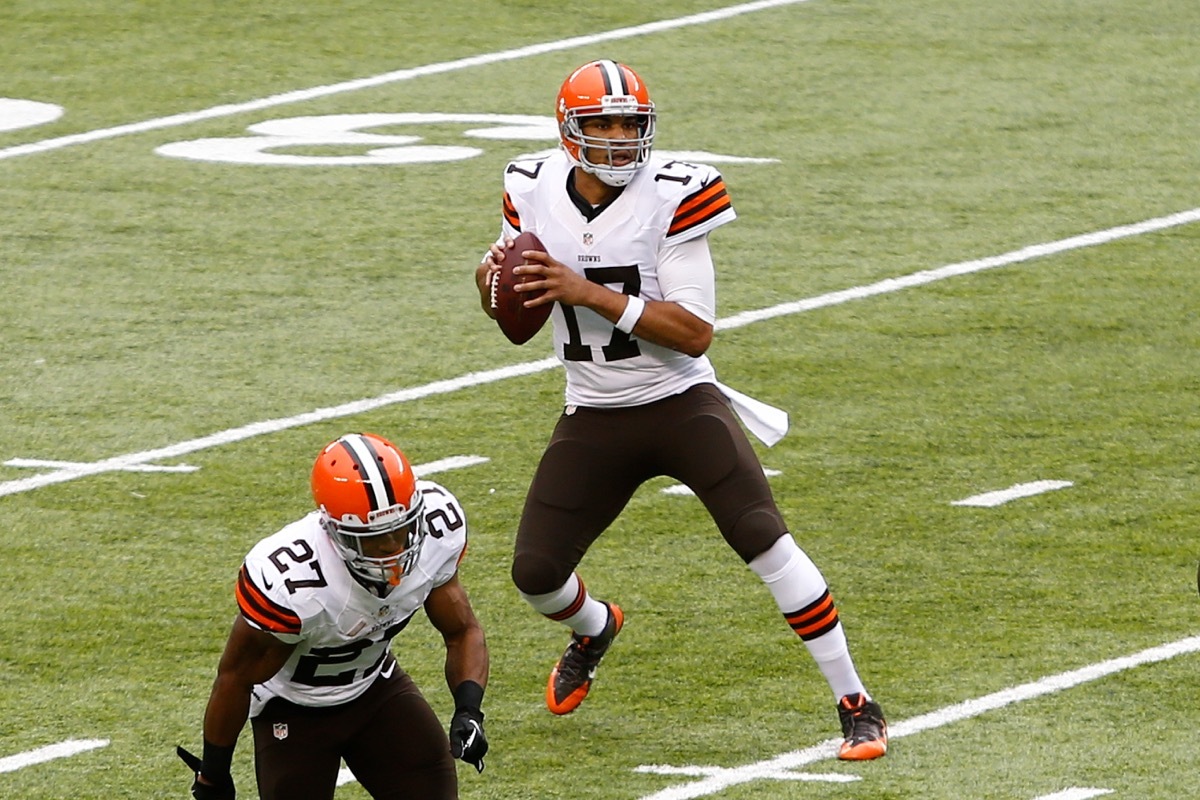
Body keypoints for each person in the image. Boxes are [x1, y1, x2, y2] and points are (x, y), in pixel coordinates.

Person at [473, 58, 886, 760]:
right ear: (568, 130)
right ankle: (596, 628)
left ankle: (857, 701)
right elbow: (507, 296)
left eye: (629, 124)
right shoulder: (531, 185)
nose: (618, 138)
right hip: (593, 409)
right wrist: (490, 278)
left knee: (763, 535)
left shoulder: (673, 194)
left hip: (678, 400)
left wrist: (587, 292)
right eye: (601, 124)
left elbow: (694, 331)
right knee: (535, 575)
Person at [177, 432, 489, 799]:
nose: (392, 548)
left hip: (375, 687)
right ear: (335, 531)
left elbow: (462, 630)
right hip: (293, 707)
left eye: (399, 529)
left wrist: (469, 709)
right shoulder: (294, 581)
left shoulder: (436, 533)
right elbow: (234, 678)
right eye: (373, 538)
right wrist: (213, 774)